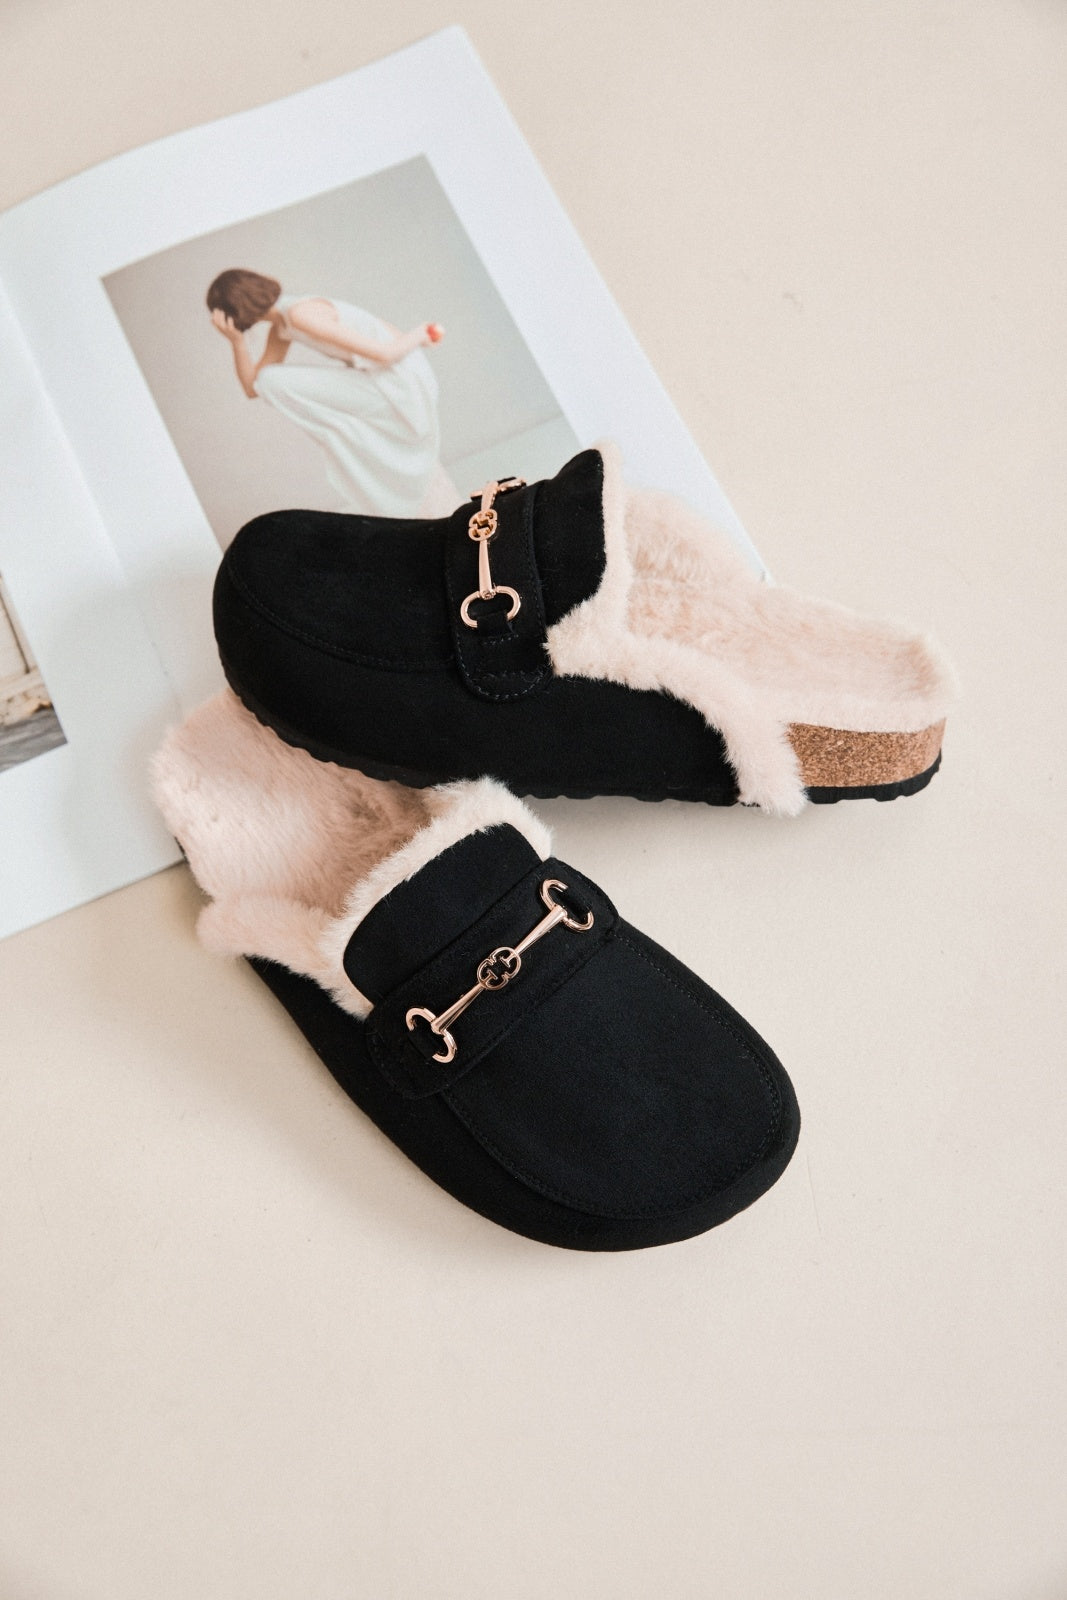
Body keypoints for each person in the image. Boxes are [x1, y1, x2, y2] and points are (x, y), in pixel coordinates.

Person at [206, 268, 458, 517]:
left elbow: (384, 354)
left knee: (271, 378)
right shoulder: (283, 325)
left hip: (398, 383)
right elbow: (253, 388)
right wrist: (237, 342)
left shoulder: (300, 313)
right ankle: (345, 434)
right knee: (268, 380)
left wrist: (420, 333)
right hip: (379, 378)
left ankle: (343, 433)